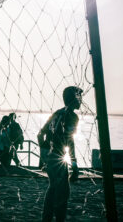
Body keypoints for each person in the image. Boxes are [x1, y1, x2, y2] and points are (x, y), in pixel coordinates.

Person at [38, 86, 83, 222]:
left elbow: (40, 134)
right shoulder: (72, 116)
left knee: (53, 188)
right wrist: (74, 165)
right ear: (73, 98)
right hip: (58, 158)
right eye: (79, 96)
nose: (81, 100)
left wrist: (44, 155)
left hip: (51, 158)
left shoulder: (57, 113)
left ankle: (46, 219)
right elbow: (70, 142)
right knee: (63, 193)